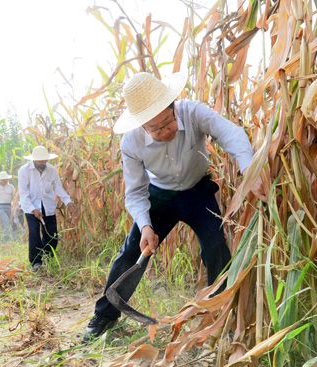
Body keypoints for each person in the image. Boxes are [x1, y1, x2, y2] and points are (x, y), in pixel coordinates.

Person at [83, 72, 265, 341]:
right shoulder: (131, 142)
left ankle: (221, 314)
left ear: (173, 107)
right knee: (133, 251)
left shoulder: (192, 113)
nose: (164, 131)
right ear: (142, 125)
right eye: (154, 129)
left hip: (198, 192)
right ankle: (105, 316)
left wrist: (250, 170)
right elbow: (134, 192)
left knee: (216, 249)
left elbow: (232, 133)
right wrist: (145, 226)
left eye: (167, 122)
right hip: (161, 198)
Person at [18, 146, 75, 271]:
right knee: (34, 234)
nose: (42, 163)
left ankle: (48, 257)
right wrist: (33, 209)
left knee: (52, 234)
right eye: (40, 161)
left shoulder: (52, 170)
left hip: (48, 206)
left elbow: (58, 187)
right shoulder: (24, 171)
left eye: (44, 161)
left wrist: (68, 201)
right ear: (33, 160)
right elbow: (23, 193)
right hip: (31, 206)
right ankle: (36, 262)